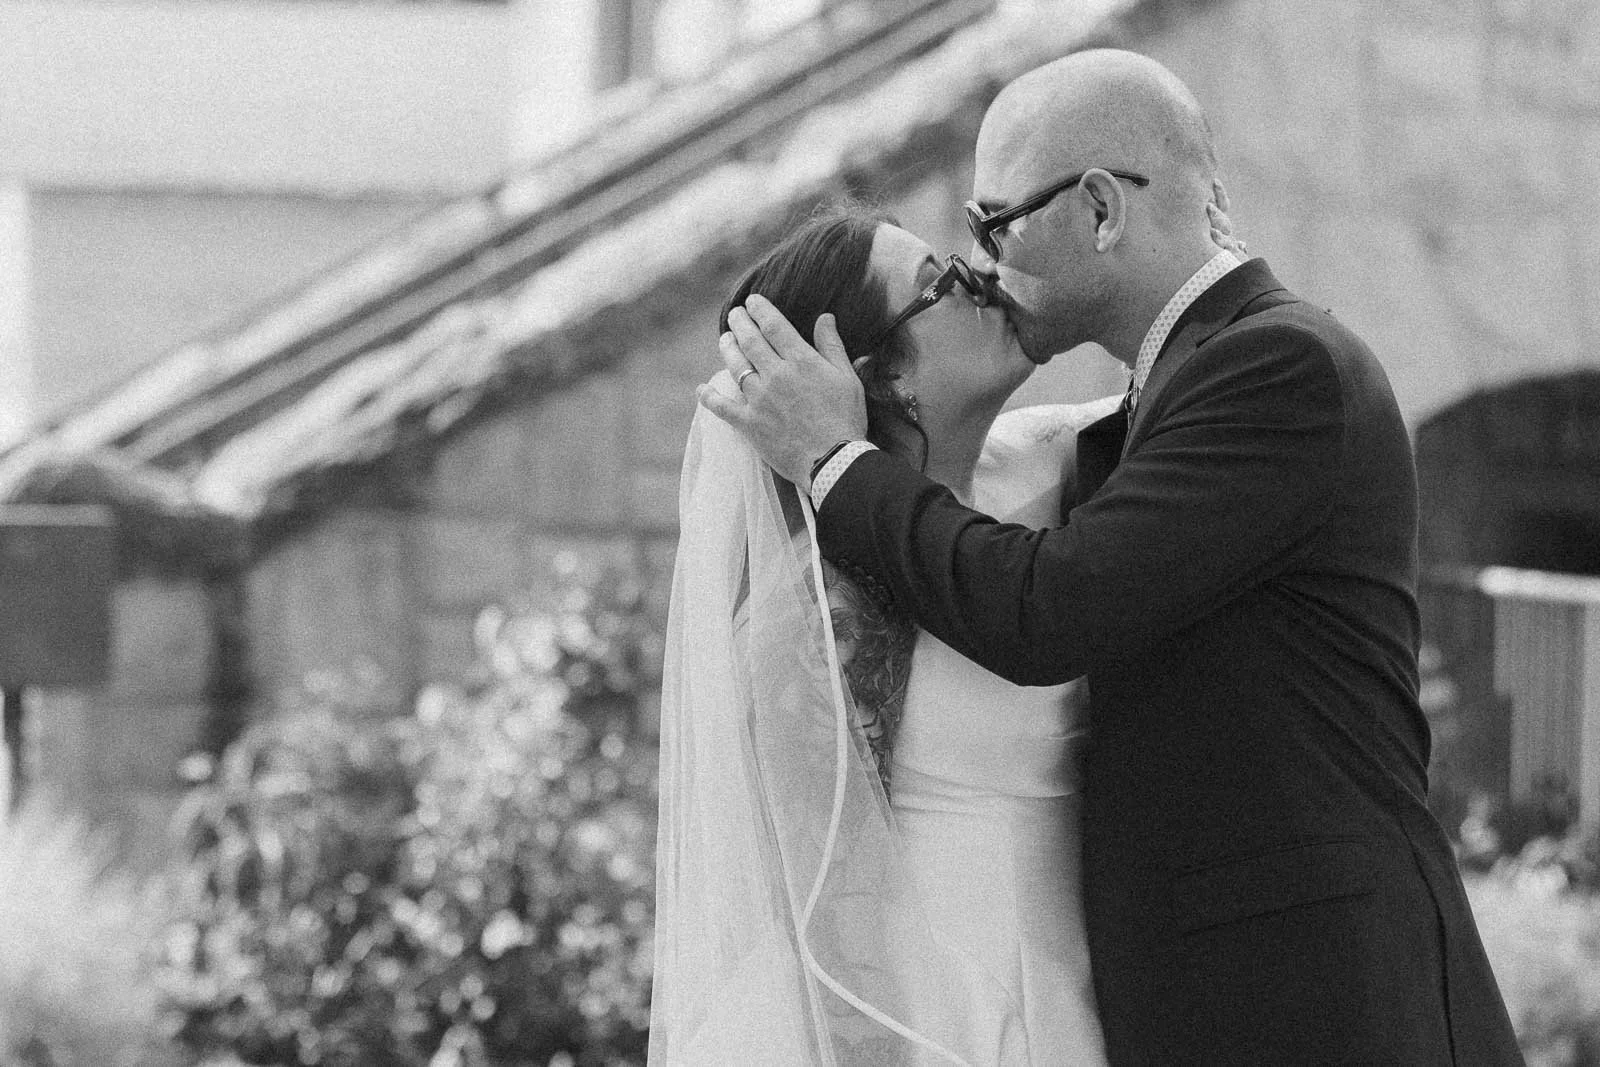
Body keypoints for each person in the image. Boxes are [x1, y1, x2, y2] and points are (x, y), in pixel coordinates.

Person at [700, 49, 1523, 1066]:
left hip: (1327, 1006)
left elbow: (1047, 607)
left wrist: (835, 459)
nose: (985, 268)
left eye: (993, 226)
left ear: (1098, 209)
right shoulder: (1118, 425)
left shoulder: (1276, 365)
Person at [650, 203, 1124, 1064]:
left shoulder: (1051, 465)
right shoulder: (820, 613)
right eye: (940, 285)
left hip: (1088, 999)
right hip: (944, 1025)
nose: (982, 277)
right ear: (874, 375)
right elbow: (834, 934)